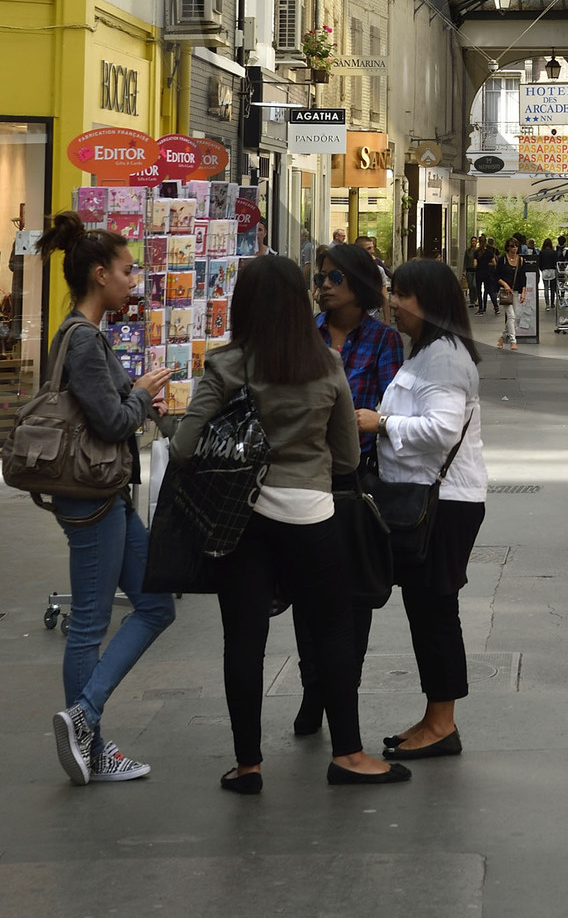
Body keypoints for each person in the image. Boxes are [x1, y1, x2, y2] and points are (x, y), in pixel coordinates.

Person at [171, 254, 408, 794]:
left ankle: (248, 766)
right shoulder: (326, 364)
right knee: (332, 631)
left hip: (240, 521)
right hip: (311, 515)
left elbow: (184, 448)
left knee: (244, 639)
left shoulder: (226, 365)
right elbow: (347, 457)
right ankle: (348, 753)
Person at [40, 210, 175, 788]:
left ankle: (86, 728)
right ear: (100, 275)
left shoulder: (79, 334)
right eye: (126, 270)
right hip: (92, 497)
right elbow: (114, 421)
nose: (132, 280)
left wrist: (138, 398)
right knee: (91, 622)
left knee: (156, 604)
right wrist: (141, 396)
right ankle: (88, 733)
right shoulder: (84, 340)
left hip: (105, 494)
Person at [355, 259, 487, 758]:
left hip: (443, 503)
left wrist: (381, 423)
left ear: (428, 302)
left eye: (402, 295)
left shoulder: (444, 358)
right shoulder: (429, 352)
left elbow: (441, 430)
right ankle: (435, 718)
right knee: (427, 611)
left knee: (435, 612)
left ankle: (443, 724)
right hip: (430, 499)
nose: (393, 304)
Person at [290, 243, 405, 736]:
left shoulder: (383, 339)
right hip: (304, 475)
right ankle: (312, 686)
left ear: (360, 286)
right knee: (305, 591)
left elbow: (384, 409)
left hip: (357, 479)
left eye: (334, 278)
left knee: (353, 593)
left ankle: (343, 689)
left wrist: (359, 422)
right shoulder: (304, 335)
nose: (323, 286)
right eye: (320, 277)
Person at [495, 238, 525, 348]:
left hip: (515, 291)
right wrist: (505, 285)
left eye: (516, 246)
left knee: (514, 317)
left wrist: (523, 292)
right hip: (505, 292)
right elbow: (496, 276)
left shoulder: (520, 260)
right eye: (512, 246)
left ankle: (502, 337)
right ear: (507, 247)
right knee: (511, 316)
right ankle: (513, 341)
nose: (514, 248)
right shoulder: (502, 260)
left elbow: (523, 278)